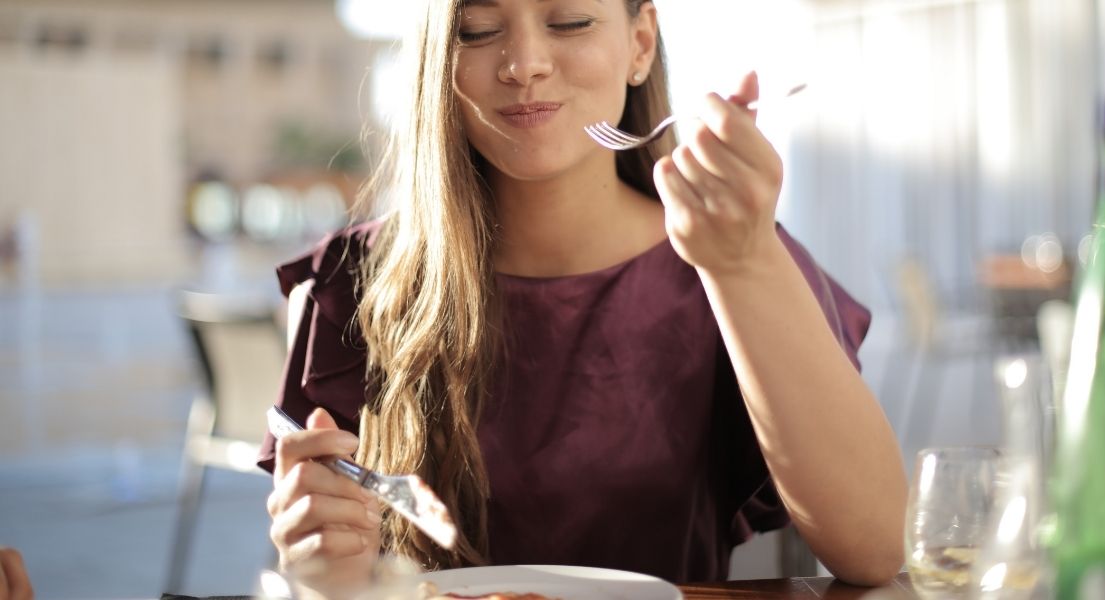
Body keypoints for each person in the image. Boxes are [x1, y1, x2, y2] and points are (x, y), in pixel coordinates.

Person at [260, 0, 907, 591]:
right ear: (439, 63)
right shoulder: (354, 282)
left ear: (641, 43)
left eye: (569, 21)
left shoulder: (731, 255)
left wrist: (744, 264)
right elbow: (338, 569)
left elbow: (877, 550)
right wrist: (320, 564)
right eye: (479, 31)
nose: (525, 65)